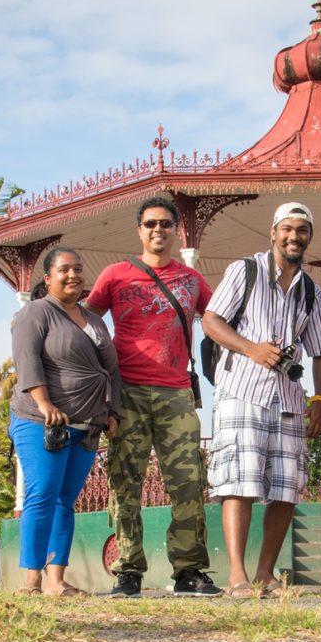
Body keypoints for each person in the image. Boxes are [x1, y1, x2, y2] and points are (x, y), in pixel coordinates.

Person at [85, 195, 221, 598]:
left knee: (188, 481)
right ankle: (128, 570)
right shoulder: (116, 274)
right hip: (127, 391)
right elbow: (86, 324)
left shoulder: (192, 280)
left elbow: (218, 320)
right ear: (139, 230)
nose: (158, 230)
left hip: (177, 393)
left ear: (177, 231)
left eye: (165, 224)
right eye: (150, 224)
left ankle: (188, 571)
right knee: (125, 483)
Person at [202, 201, 321, 598]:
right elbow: (211, 321)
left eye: (302, 230)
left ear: (309, 236)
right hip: (242, 390)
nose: (294, 236)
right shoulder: (245, 271)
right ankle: (237, 576)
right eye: (287, 229)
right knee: (239, 481)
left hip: (289, 398)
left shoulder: (310, 290)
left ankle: (264, 574)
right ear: (273, 232)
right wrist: (251, 349)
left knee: (286, 487)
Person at [9, 246, 122, 597]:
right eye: (64, 270)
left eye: (78, 269)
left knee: (64, 501)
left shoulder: (95, 321)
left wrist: (112, 412)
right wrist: (44, 403)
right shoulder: (36, 313)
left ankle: (56, 581)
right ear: (48, 278)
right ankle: (31, 581)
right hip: (41, 422)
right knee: (42, 494)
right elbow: (27, 359)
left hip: (87, 425)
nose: (73, 275)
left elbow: (112, 370)